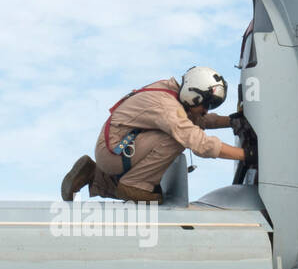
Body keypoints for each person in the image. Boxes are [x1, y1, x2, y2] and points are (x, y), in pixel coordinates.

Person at [60, 66, 247, 203]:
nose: (206, 110)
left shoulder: (175, 95)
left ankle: (93, 175)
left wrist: (231, 121)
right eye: (206, 105)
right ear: (194, 95)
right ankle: (136, 184)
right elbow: (199, 142)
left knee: (183, 130)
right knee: (178, 137)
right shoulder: (167, 107)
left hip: (117, 148)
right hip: (114, 152)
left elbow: (198, 119)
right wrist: (247, 155)